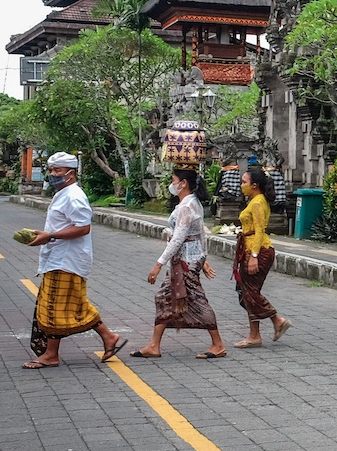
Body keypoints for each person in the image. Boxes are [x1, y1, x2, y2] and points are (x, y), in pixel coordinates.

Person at [23, 152, 127, 369]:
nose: (53, 175)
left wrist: (49, 236)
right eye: (52, 170)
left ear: (70, 174)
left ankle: (51, 355)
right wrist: (45, 235)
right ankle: (109, 337)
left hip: (66, 260)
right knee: (75, 305)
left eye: (57, 171)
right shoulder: (62, 193)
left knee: (53, 307)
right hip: (60, 258)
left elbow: (83, 227)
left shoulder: (73, 196)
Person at [131, 167, 226, 359]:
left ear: (183, 183)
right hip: (188, 259)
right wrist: (203, 258)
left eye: (174, 180)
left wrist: (158, 264)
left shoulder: (186, 207)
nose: (171, 184)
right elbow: (199, 234)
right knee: (165, 297)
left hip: (185, 262)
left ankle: (218, 344)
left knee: (196, 300)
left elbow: (178, 239)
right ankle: (154, 345)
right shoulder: (192, 203)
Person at [233, 168, 292, 348]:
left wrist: (254, 256)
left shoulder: (258, 202)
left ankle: (275, 321)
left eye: (244, 182)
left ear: (254, 185)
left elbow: (259, 231)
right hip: (250, 248)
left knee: (250, 292)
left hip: (258, 250)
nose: (242, 185)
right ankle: (258, 332)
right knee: (246, 292)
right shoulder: (254, 200)